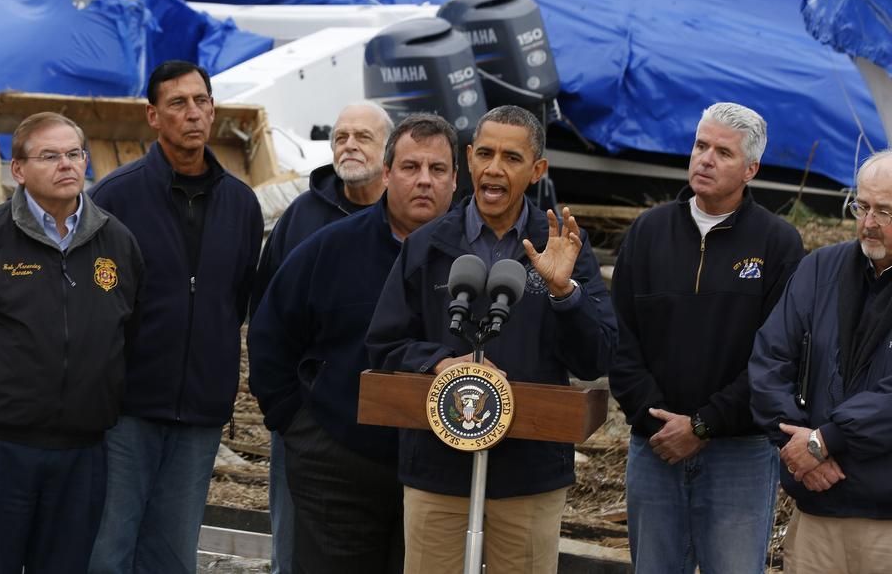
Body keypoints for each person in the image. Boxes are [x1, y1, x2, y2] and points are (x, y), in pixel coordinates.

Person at [367, 104, 616, 574]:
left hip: (528, 475)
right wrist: (441, 362)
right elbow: (384, 344)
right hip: (437, 473)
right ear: (469, 159)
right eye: (485, 153)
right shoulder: (427, 245)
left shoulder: (561, 246)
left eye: (511, 157)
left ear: (537, 169)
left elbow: (596, 356)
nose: (494, 169)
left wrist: (565, 293)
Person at [0, 112, 143, 574]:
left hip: (82, 450)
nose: (67, 165)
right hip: (0, 445)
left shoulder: (116, 243)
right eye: (50, 156)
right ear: (18, 170)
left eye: (75, 154)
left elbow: (128, 331)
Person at [250, 113, 458, 574]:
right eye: (410, 167)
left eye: (437, 169)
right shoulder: (330, 248)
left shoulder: (475, 259)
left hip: (442, 470)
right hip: (338, 464)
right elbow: (269, 334)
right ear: (387, 174)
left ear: (454, 179)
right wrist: (298, 427)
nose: (424, 180)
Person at [609, 102, 804, 573]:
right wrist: (658, 423)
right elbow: (619, 339)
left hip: (740, 455)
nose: (705, 159)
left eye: (722, 152)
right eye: (700, 146)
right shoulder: (648, 233)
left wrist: (704, 424)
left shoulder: (779, 244)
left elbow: (778, 355)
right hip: (654, 449)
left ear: (751, 169)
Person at [87, 60, 264, 574]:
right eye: (178, 104)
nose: (193, 114)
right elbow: (98, 305)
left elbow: (233, 302)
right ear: (153, 116)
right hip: (127, 410)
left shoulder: (241, 204)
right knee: (108, 549)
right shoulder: (116, 197)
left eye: (202, 101)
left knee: (172, 554)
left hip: (200, 412)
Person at [251, 100, 393, 574]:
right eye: (340, 137)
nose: (348, 145)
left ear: (388, 151)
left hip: (389, 430)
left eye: (362, 137)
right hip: (308, 426)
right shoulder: (302, 216)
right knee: (293, 553)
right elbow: (266, 315)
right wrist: (289, 415)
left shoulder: (411, 221)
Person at [750, 149, 892, 573]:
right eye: (861, 206)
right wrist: (799, 450)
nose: (868, 223)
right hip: (817, 515)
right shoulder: (820, 269)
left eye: (885, 211)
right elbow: (768, 361)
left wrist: (826, 439)